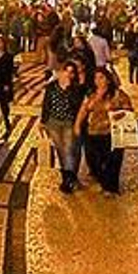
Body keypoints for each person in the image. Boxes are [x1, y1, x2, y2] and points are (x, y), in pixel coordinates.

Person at [75, 67, 134, 194]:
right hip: (94, 132)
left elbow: (129, 110)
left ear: (108, 80)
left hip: (113, 133)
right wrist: (77, 125)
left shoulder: (118, 94)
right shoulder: (91, 94)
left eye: (101, 77)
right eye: (96, 78)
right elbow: (83, 110)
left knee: (113, 162)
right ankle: (103, 183)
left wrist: (120, 114)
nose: (98, 81)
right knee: (95, 162)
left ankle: (111, 190)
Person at [40, 62, 86, 193]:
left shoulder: (76, 88)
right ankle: (68, 177)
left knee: (68, 150)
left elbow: (77, 104)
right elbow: (46, 103)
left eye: (72, 72)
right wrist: (43, 121)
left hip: (68, 122)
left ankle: (67, 180)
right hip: (53, 122)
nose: (69, 74)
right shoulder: (51, 86)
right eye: (67, 71)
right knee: (60, 151)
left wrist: (69, 88)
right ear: (61, 72)